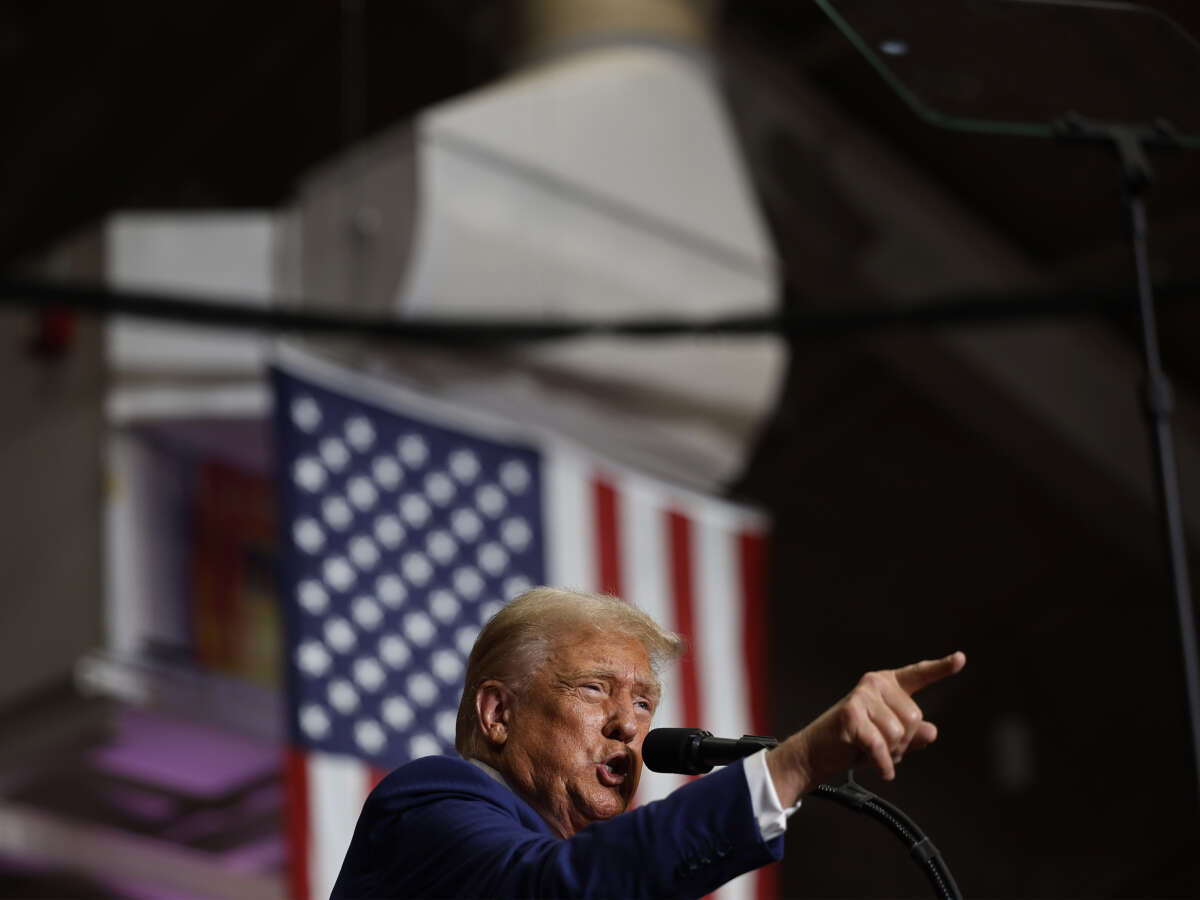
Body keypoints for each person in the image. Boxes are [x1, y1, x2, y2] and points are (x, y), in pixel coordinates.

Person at [332, 587, 966, 898]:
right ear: (498, 713)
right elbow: (557, 889)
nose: (629, 726)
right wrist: (800, 761)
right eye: (594, 689)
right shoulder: (426, 805)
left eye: (643, 703)